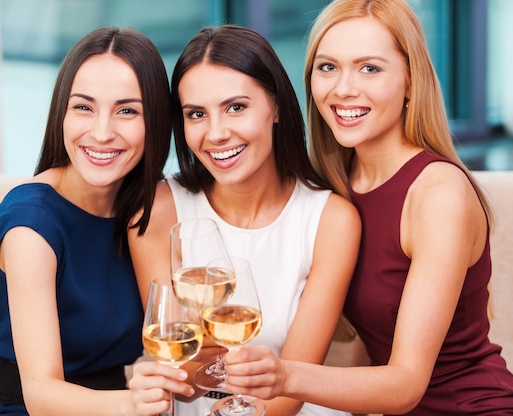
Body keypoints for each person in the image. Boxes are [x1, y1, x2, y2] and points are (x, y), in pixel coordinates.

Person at [218, 1, 513, 415]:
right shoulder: (334, 186)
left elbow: (405, 382)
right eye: (327, 67)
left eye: (369, 68)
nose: (343, 88)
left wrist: (285, 376)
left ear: (410, 81)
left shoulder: (438, 194)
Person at [0, 26, 171, 415]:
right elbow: (41, 396)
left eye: (127, 110)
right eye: (83, 107)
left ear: (155, 120)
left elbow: (172, 332)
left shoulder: (150, 205)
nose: (103, 132)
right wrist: (139, 403)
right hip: (8, 408)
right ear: (61, 111)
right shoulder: (32, 224)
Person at [127, 24, 360, 416]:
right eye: (196, 114)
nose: (216, 133)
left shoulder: (330, 221)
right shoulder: (158, 212)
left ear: (276, 107)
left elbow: (292, 389)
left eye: (236, 107)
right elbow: (178, 372)